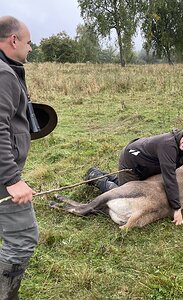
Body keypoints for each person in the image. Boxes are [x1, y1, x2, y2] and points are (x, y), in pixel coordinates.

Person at [85, 125, 183, 226]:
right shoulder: (168, 145)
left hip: (148, 166)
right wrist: (177, 209)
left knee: (134, 187)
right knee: (123, 193)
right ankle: (95, 176)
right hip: (132, 162)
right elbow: (169, 178)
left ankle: (103, 174)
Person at [0, 16, 38, 299]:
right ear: (13, 40)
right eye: (28, 42)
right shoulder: (3, 74)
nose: (31, 48)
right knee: (23, 239)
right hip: (3, 177)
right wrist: (11, 178)